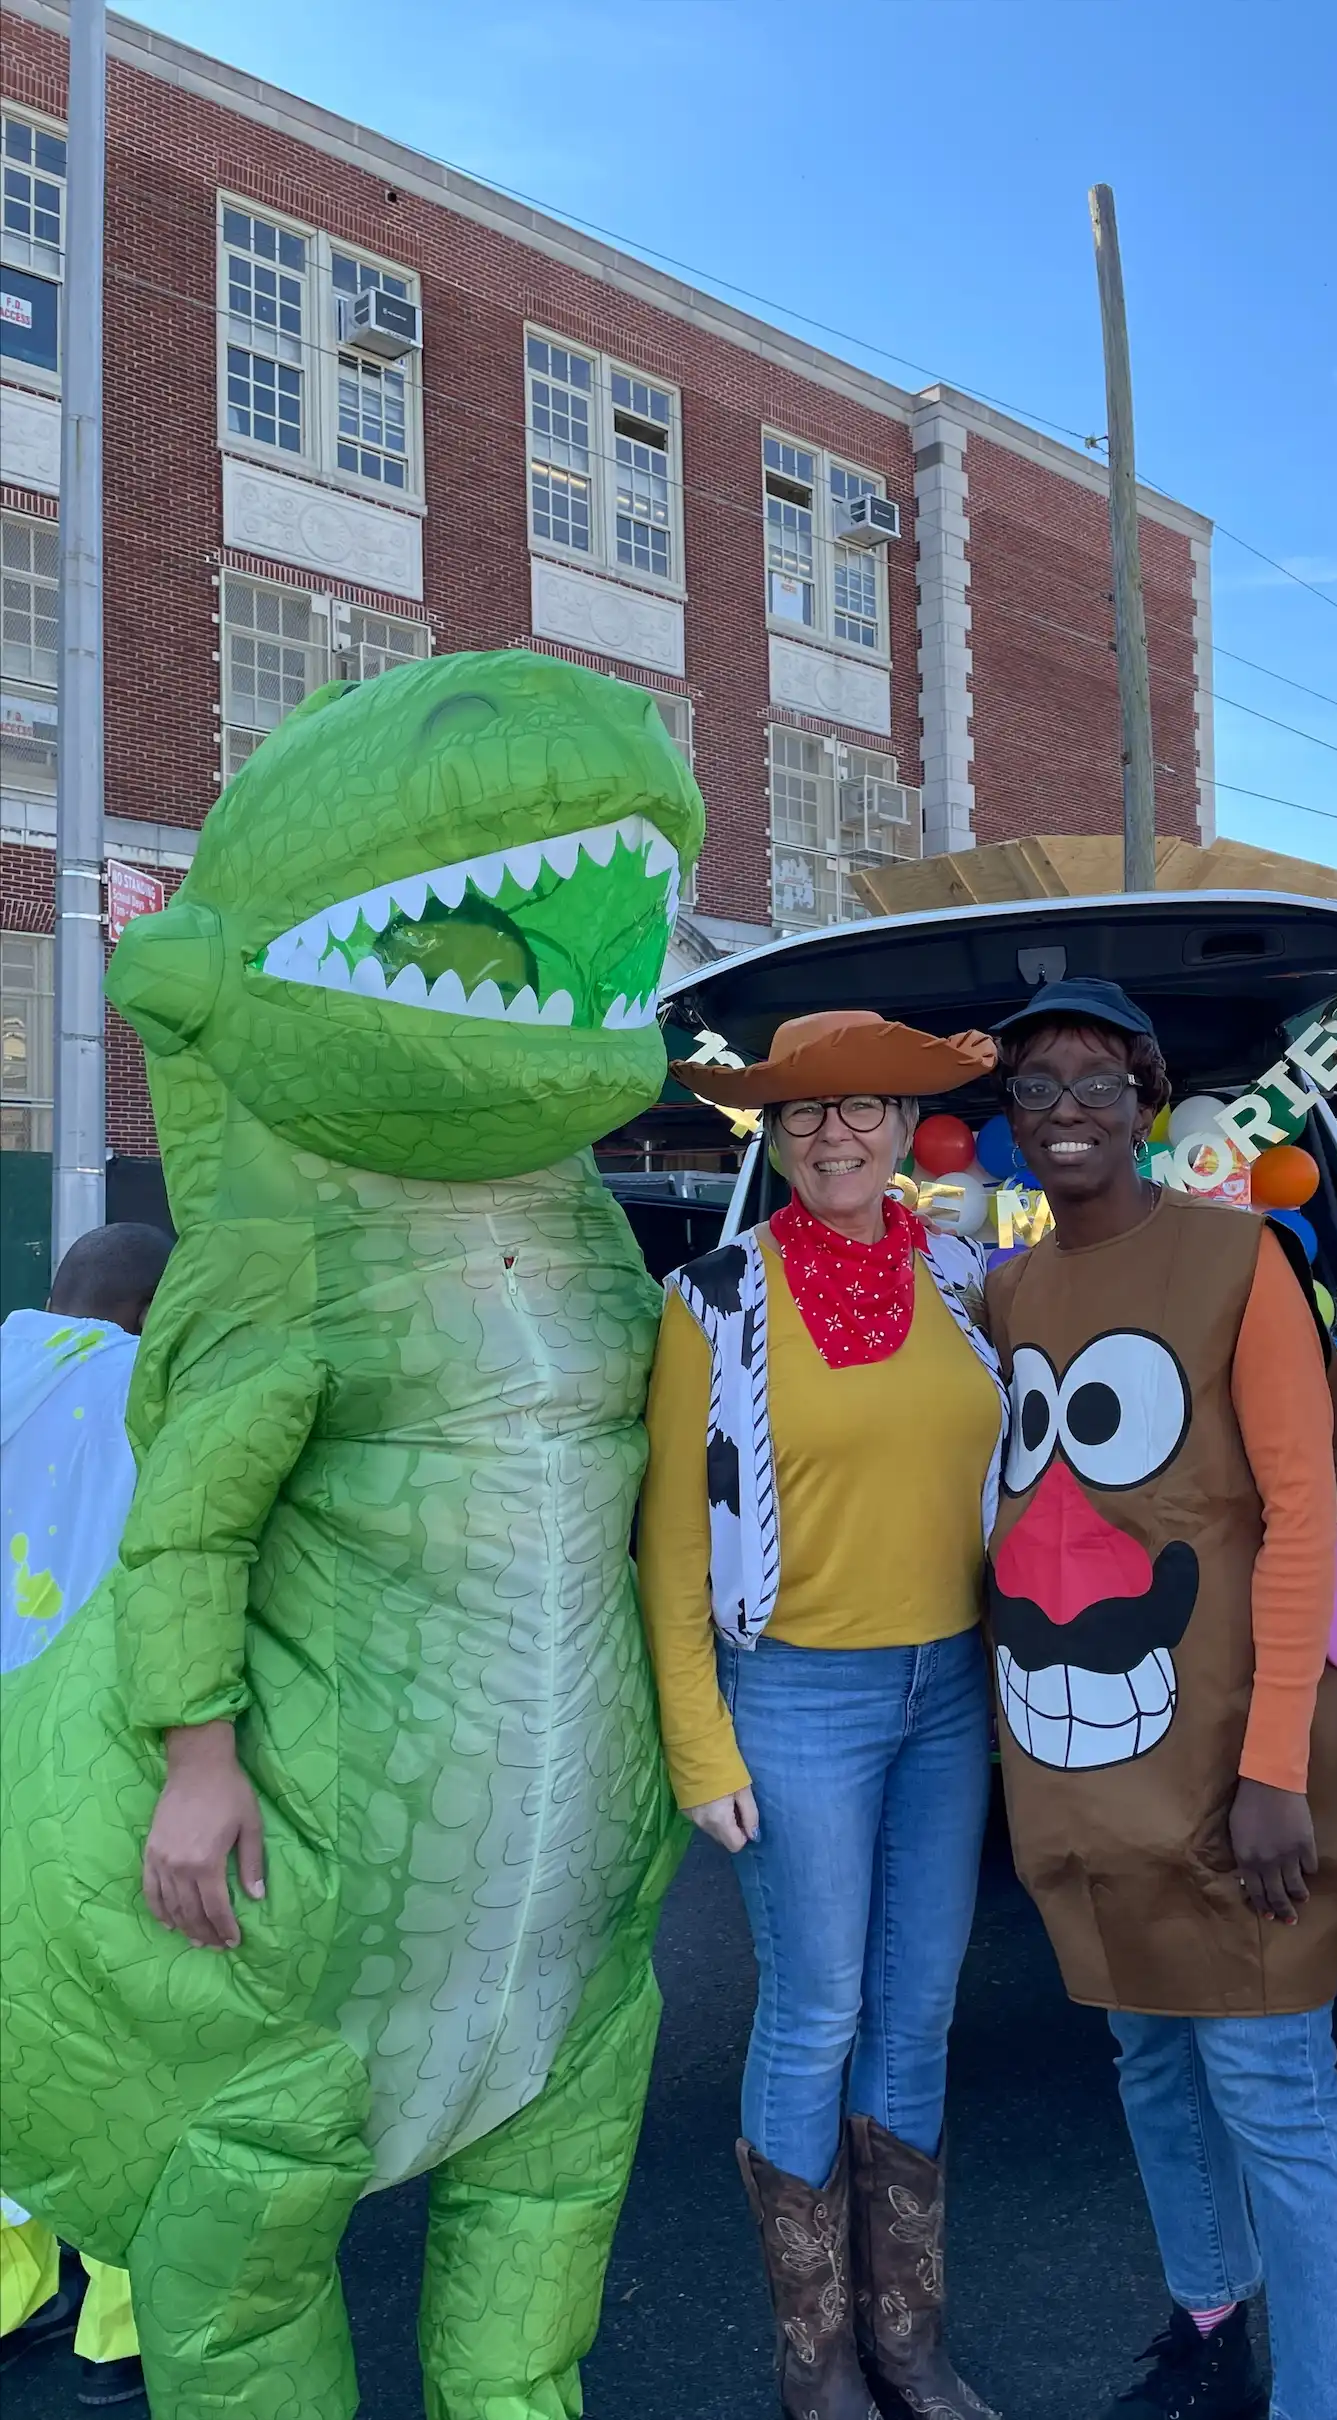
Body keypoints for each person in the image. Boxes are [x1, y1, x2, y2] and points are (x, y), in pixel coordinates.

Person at [0, 651, 703, 2418]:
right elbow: (191, 1524)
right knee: (244, 2250)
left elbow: (652, 1509)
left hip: (572, 1879)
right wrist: (195, 1752)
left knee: (543, 2205)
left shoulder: (600, 1243)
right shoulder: (274, 1255)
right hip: (309, 1862)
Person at [984, 978, 1337, 2420]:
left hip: (1234, 1759)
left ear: (1151, 1102)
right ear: (1011, 1121)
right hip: (1088, 1761)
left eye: (1101, 1080)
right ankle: (1211, 2333)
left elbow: (1304, 1515)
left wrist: (1279, 1765)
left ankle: (1331, 2402)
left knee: (1276, 2094)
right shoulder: (1013, 1288)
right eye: (1038, 1087)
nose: (1069, 1111)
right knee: (1147, 2063)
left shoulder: (1238, 1262)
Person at [641, 1009, 1008, 2420]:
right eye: (799, 1116)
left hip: (949, 1687)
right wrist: (698, 1736)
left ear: (907, 1126)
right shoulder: (715, 1299)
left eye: (859, 1109)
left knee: (916, 2017)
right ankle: (818, 2358)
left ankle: (905, 2333)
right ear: (773, 1137)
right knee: (816, 2013)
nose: (831, 1135)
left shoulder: (970, 1281)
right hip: (797, 1689)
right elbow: (672, 1537)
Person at [0, 1221, 171, 2412]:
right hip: (94, 1763)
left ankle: (11, 2286)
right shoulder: (150, 1395)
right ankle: (118, 2320)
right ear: (153, 1308)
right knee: (119, 2033)